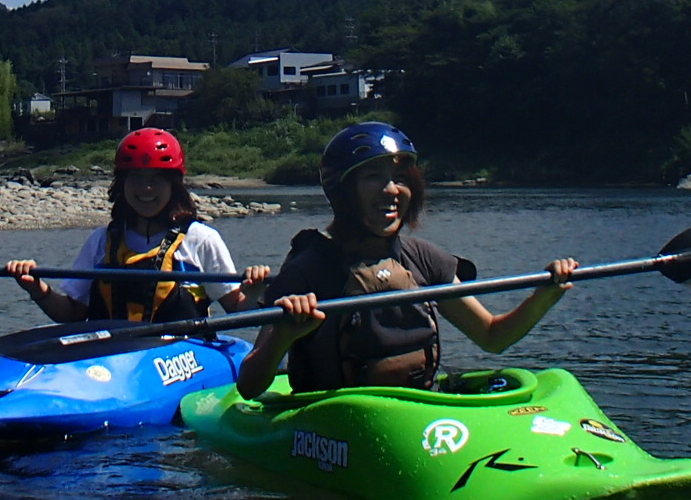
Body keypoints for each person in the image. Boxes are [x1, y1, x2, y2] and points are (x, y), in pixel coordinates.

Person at [235, 122, 574, 398]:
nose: (392, 190)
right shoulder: (308, 268)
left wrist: (543, 298)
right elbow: (249, 387)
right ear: (342, 190)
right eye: (373, 177)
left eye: (400, 179)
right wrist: (283, 336)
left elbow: (492, 336)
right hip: (336, 421)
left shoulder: (422, 258)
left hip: (417, 412)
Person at [6, 127, 269, 323]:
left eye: (157, 179)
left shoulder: (201, 239)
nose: (146, 188)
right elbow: (72, 314)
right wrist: (37, 288)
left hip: (178, 359)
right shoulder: (102, 240)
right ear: (121, 184)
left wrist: (253, 290)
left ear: (174, 186)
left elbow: (236, 309)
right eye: (136, 178)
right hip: (113, 357)